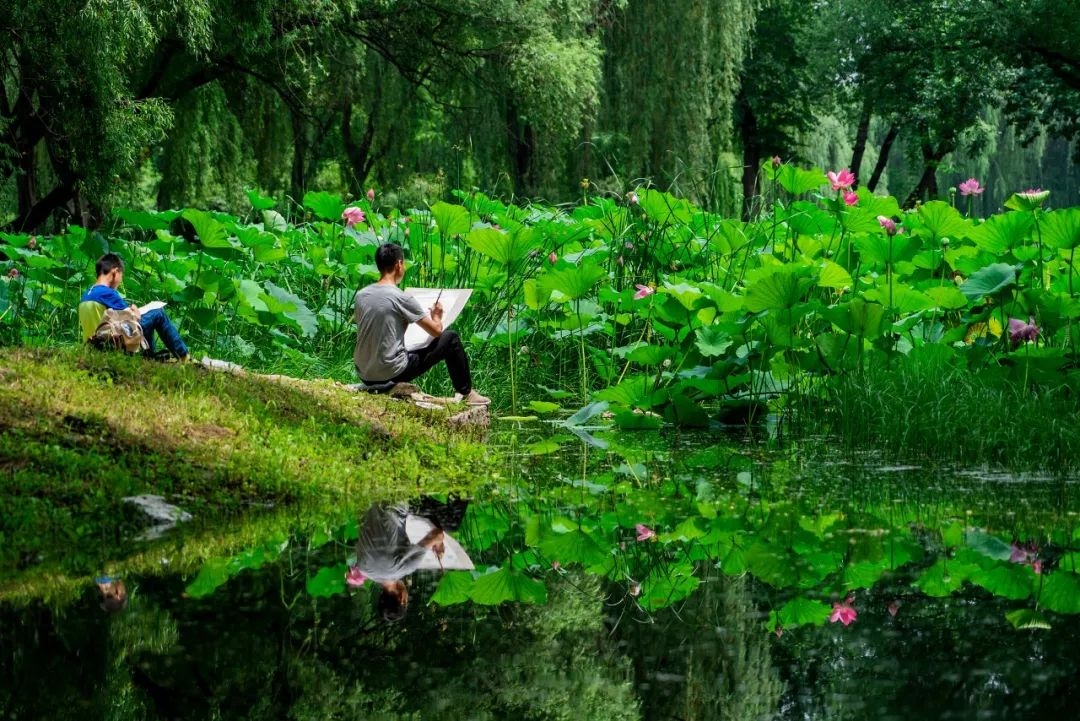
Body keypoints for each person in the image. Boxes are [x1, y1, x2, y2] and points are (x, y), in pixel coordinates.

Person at [353, 243, 489, 405]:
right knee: (450, 338)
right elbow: (436, 331)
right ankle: (467, 393)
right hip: (391, 372)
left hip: (364, 373)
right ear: (399, 264)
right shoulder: (401, 298)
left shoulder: (361, 295)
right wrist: (436, 316)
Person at [79, 253, 190, 361]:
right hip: (112, 347)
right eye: (121, 276)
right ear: (115, 272)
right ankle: (184, 357)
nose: (120, 281)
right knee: (157, 313)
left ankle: (150, 357)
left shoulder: (86, 295)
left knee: (148, 320)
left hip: (93, 347)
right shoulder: (107, 293)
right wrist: (135, 311)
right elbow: (133, 320)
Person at [349, 503, 448, 622]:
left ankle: (465, 494)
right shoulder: (362, 568)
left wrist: (439, 545)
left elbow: (438, 534)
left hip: (394, 501)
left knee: (451, 522)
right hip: (367, 502)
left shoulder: (404, 569)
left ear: (402, 599)